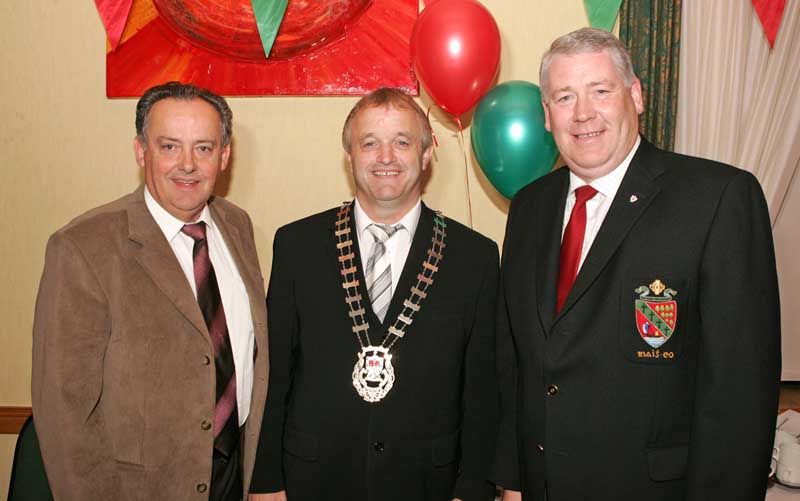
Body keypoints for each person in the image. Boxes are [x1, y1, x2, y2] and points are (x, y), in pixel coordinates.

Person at [493, 28, 781, 501]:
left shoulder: (718, 198)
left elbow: (740, 393)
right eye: (564, 97)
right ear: (547, 116)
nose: (583, 113)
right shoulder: (528, 208)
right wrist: (512, 481)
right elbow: (515, 362)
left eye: (600, 91)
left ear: (636, 95)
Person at [249, 87, 499, 501]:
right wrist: (266, 481)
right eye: (370, 143)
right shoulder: (297, 245)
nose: (386, 157)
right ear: (349, 158)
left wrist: (472, 489)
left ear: (425, 156)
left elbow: (483, 391)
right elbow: (275, 375)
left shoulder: (475, 257)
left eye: (402, 142)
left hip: (427, 483)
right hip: (312, 480)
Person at [31, 82, 269, 500]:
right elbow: (64, 411)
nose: (188, 165)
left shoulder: (237, 227)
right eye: (169, 147)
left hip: (236, 480)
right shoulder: (83, 247)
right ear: (141, 151)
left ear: (225, 156)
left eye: (204, 148)